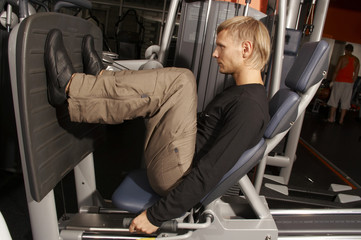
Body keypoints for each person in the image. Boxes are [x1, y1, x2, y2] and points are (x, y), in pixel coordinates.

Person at [44, 16, 270, 234]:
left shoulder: (249, 107)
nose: (214, 53)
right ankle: (100, 80)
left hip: (175, 178)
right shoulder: (242, 94)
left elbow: (210, 171)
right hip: (177, 163)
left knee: (182, 81)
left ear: (246, 49)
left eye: (221, 46)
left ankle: (68, 87)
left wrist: (156, 216)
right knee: (177, 85)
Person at [327, 44, 360, 124]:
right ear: (352, 51)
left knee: (335, 99)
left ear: (345, 50)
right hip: (349, 83)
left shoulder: (342, 58)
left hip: (339, 81)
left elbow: (336, 70)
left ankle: (331, 118)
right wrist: (352, 82)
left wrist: (332, 81)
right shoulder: (356, 60)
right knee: (345, 101)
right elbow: (355, 74)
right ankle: (341, 120)